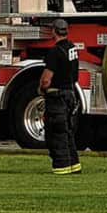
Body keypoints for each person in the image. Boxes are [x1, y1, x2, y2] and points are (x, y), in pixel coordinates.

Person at [39, 18, 81, 175]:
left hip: (57, 97)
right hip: (70, 94)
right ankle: (74, 164)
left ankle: (62, 166)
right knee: (67, 131)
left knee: (56, 133)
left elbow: (46, 80)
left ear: (53, 31)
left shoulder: (55, 51)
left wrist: (41, 88)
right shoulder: (72, 48)